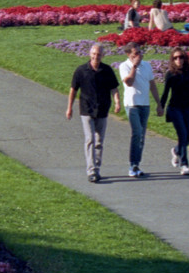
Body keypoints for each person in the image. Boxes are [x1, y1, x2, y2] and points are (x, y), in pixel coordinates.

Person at [66, 42, 122, 183]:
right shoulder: (81, 70)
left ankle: (97, 168)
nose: (96, 57)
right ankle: (91, 170)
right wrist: (69, 107)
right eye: (94, 54)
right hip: (86, 109)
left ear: (103, 55)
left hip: (102, 109)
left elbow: (114, 88)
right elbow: (73, 89)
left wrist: (117, 102)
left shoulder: (107, 70)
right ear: (90, 54)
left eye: (99, 54)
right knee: (90, 138)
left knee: (99, 141)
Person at [159, 47, 189, 174]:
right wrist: (160, 106)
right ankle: (184, 164)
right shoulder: (170, 74)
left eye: (181, 57)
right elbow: (166, 92)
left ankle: (176, 151)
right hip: (175, 108)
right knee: (182, 134)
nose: (179, 60)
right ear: (172, 60)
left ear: (185, 59)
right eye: (175, 58)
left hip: (188, 107)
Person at [118, 43, 156, 178]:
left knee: (141, 137)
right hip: (132, 104)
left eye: (140, 52)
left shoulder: (146, 65)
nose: (139, 56)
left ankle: (137, 164)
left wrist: (159, 103)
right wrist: (134, 66)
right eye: (135, 54)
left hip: (145, 104)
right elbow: (128, 82)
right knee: (137, 133)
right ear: (129, 55)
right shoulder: (124, 66)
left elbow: (152, 84)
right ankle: (132, 164)